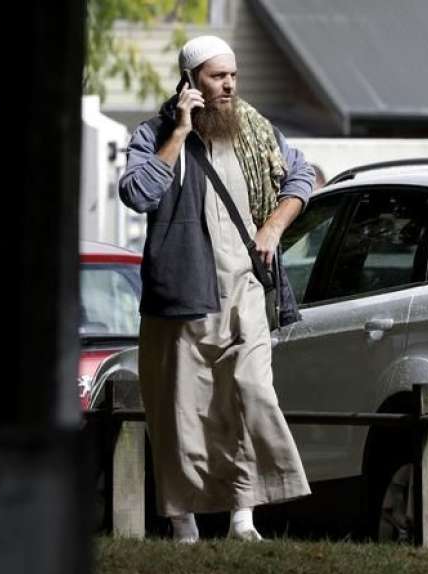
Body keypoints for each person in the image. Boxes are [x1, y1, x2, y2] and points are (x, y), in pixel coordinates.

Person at [119, 35, 314, 543]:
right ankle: (184, 523)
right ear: (190, 82)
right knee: (182, 412)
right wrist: (180, 132)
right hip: (183, 294)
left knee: (250, 392)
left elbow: (302, 177)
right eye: (216, 76)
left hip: (245, 288)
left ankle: (243, 516)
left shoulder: (253, 129)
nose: (228, 85)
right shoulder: (156, 133)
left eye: (233, 75)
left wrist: (272, 226)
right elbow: (137, 192)